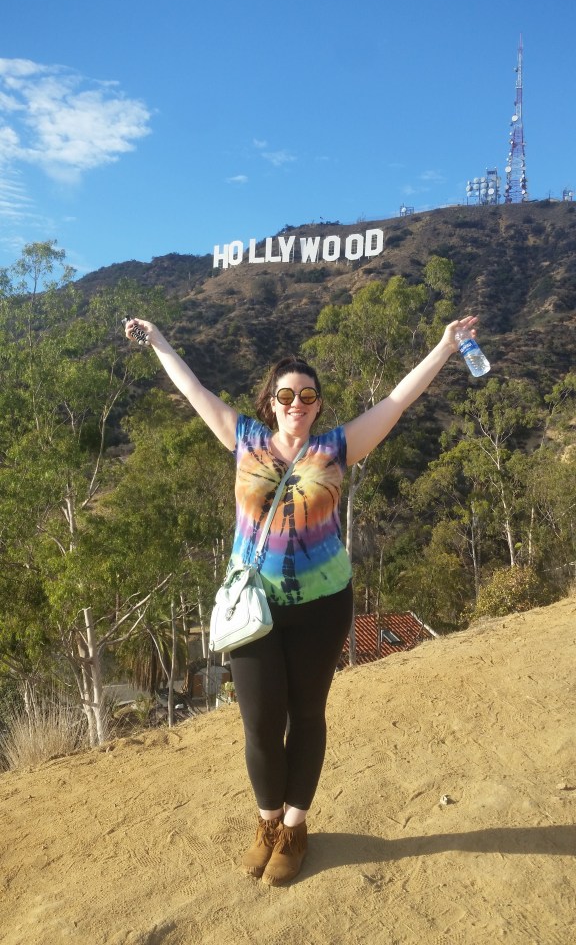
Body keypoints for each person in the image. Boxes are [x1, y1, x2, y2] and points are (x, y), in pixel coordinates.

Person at [124, 314, 479, 886]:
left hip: (323, 605)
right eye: (285, 394)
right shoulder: (243, 439)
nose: (296, 403)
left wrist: (443, 346)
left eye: (306, 395)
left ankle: (294, 828)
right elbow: (192, 388)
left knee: (307, 716)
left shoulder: (337, 447)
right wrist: (160, 341)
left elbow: (396, 401)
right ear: (271, 401)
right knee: (261, 723)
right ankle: (267, 823)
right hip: (255, 608)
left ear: (317, 405)